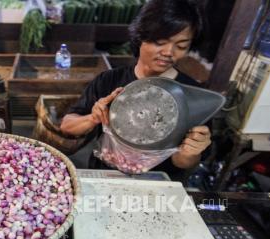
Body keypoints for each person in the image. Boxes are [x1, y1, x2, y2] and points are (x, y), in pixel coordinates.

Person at [61, 0, 210, 181]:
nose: (169, 52)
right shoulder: (109, 80)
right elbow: (67, 127)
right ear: (140, 37)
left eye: (181, 46)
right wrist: (92, 118)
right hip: (105, 175)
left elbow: (183, 163)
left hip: (156, 182)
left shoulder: (192, 94)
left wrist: (190, 152)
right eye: (160, 41)